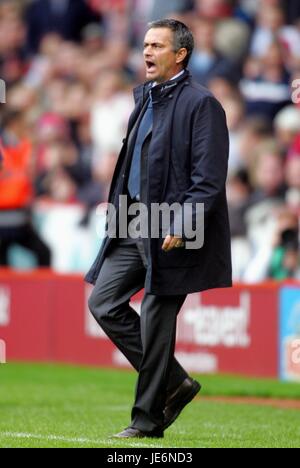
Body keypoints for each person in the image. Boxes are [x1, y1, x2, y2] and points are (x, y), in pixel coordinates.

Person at [86, 19, 232, 439]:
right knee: (104, 302)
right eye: (145, 44)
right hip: (133, 223)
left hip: (172, 228)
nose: (146, 52)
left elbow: (208, 178)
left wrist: (184, 223)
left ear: (180, 54)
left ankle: (147, 421)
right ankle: (176, 382)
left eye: (157, 46)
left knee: (155, 322)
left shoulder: (203, 104)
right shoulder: (145, 97)